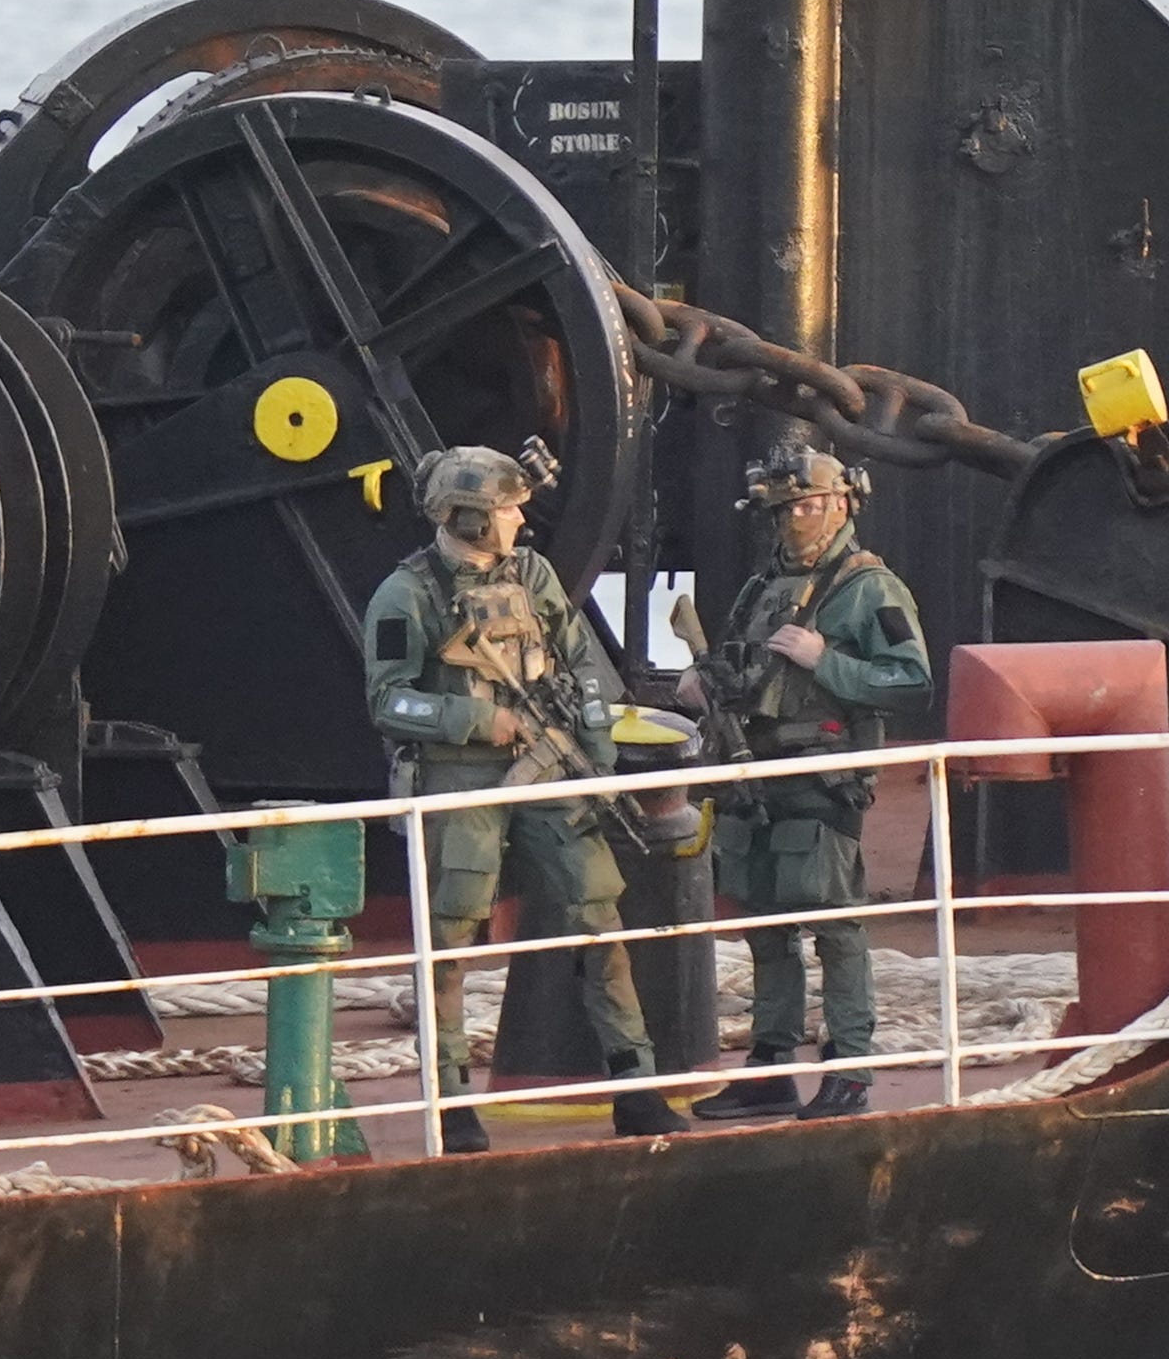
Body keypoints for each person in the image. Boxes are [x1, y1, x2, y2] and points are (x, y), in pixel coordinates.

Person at [366, 446, 688, 1155]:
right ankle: (451, 1104)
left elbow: (579, 662)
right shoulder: (407, 594)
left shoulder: (533, 575)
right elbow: (388, 701)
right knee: (449, 941)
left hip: (550, 768)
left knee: (597, 917)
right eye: (508, 508)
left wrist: (596, 754)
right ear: (473, 519)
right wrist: (478, 720)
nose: (519, 517)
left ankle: (636, 1087)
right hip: (459, 779)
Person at [682, 445, 937, 1121]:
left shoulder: (867, 588)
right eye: (785, 507)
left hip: (821, 778)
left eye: (810, 504)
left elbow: (911, 680)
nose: (797, 518)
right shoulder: (763, 585)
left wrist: (827, 661)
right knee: (765, 925)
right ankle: (769, 1068)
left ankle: (848, 1069)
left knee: (834, 925)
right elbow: (738, 660)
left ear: (843, 503)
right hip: (753, 772)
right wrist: (703, 683)